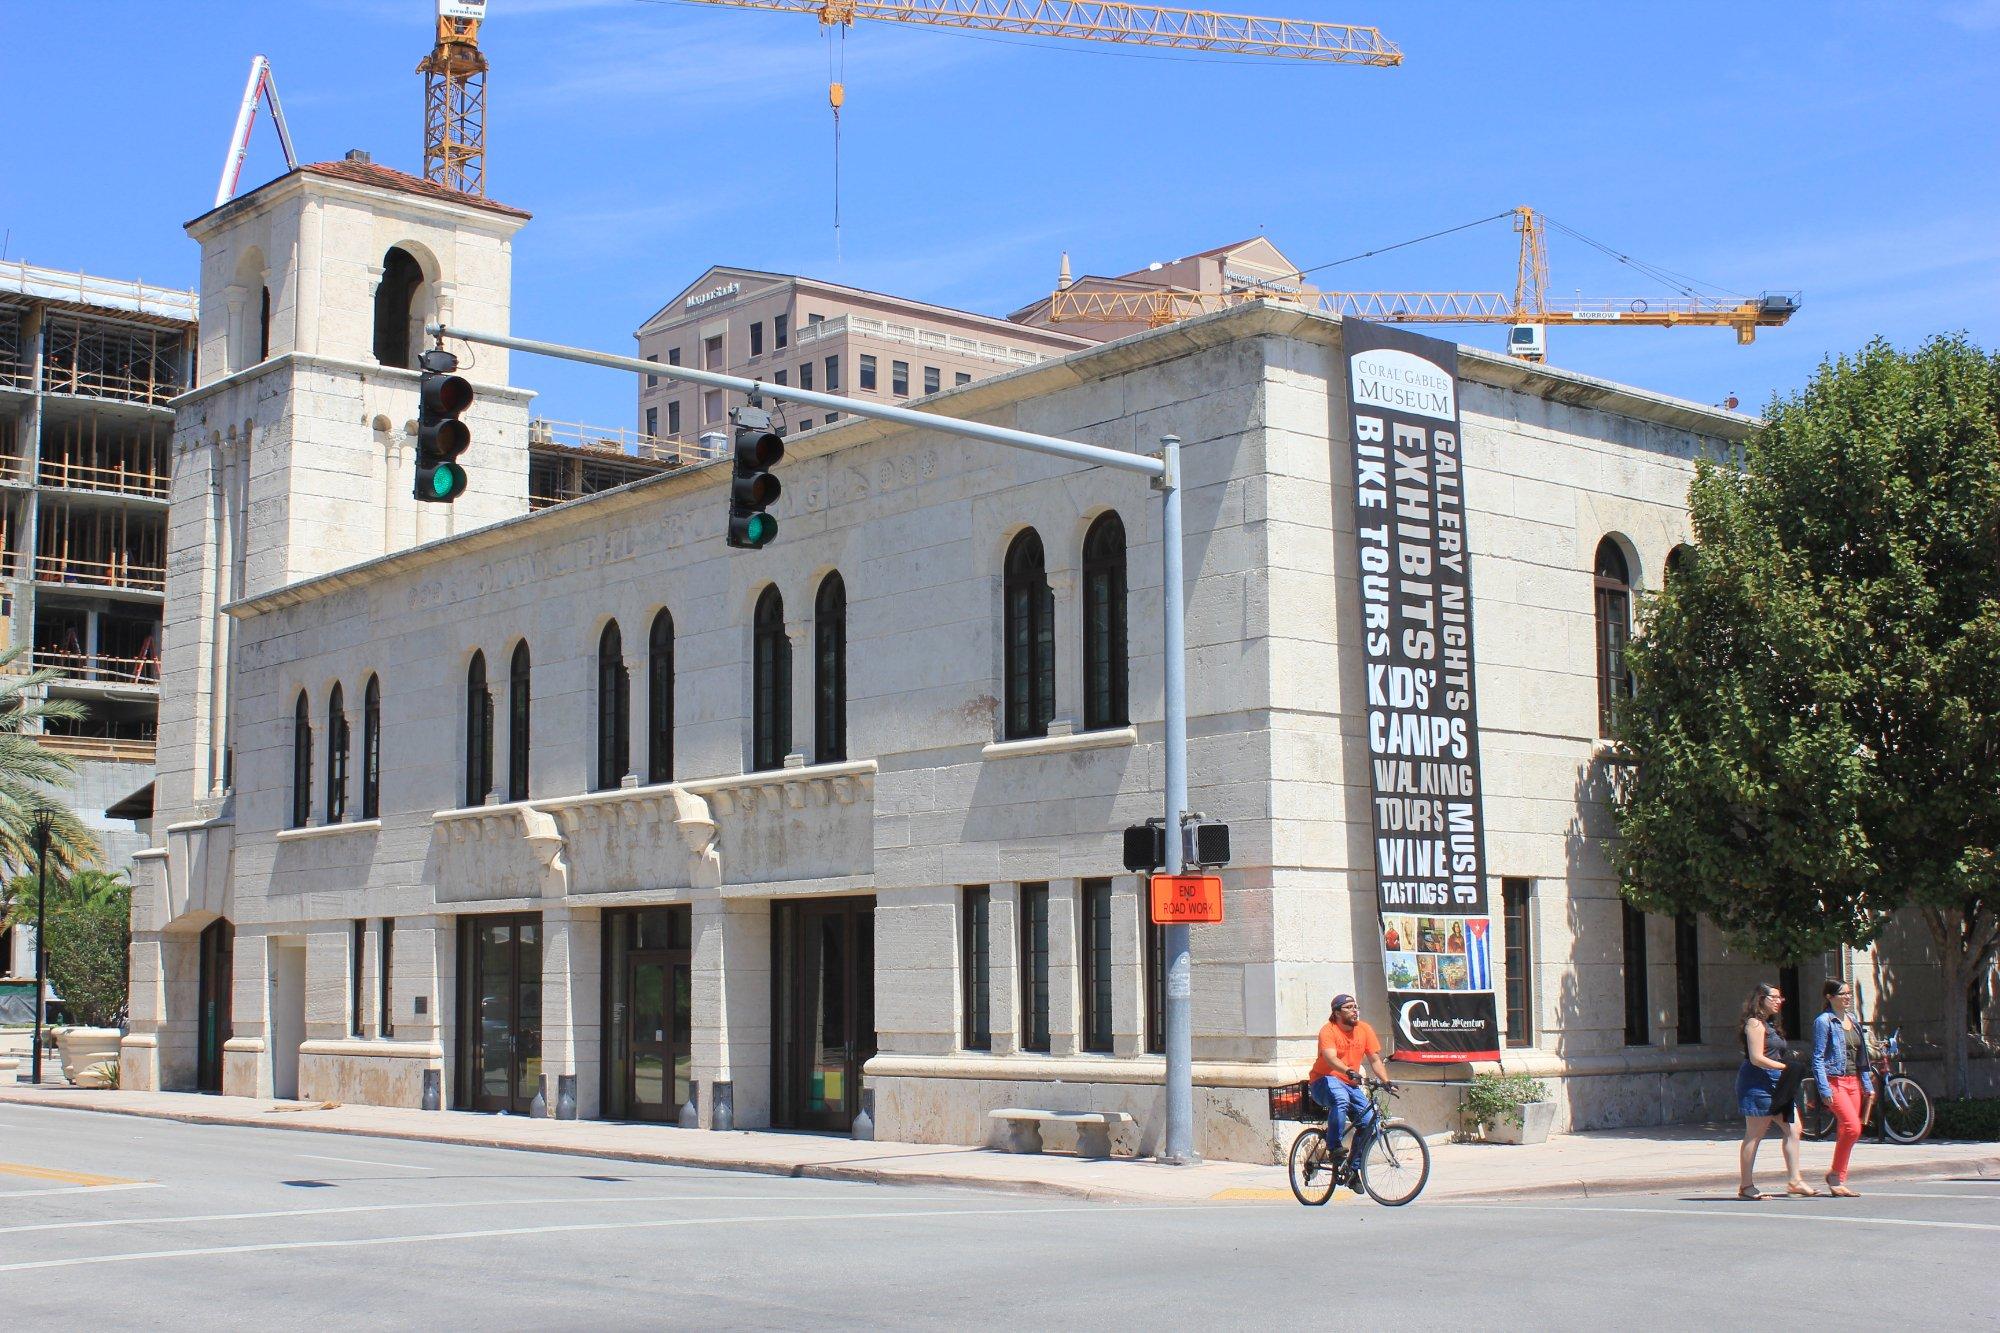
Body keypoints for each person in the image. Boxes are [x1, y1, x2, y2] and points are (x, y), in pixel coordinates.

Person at [1734, 982, 1816, 1199]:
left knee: (1794, 1128)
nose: (1781, 1001)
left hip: (1778, 1082)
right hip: (1757, 1083)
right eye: (1776, 997)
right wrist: (1786, 1067)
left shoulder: (1770, 1025)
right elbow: (1756, 1058)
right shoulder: (1754, 1024)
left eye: (1781, 997)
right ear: (1762, 999)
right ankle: (1746, 1186)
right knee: (1755, 1134)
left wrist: (1785, 1068)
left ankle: (1795, 1180)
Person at [1308, 993, 1394, 1189]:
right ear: (1337, 1013)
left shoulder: (1364, 1029)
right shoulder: (1328, 1031)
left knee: (1370, 1120)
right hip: (1323, 1081)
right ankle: (1334, 1147)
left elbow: (1374, 1060)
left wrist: (1386, 1081)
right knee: (1340, 1098)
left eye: (1356, 1006)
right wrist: (1348, 1070)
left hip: (1350, 1084)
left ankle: (1352, 1170)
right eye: (1349, 1007)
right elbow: (1330, 1058)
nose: (1355, 1011)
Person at [1813, 979, 1874, 1198]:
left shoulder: (1853, 1020)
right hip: (1834, 1080)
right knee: (1852, 1127)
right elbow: (1818, 1057)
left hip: (1853, 1081)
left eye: (1849, 993)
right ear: (1830, 997)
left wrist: (1867, 1084)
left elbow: (1861, 1056)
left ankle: (1838, 1178)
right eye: (1842, 994)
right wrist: (1823, 1089)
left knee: (1845, 1131)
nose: (1847, 997)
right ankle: (1835, 1175)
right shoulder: (1824, 1021)